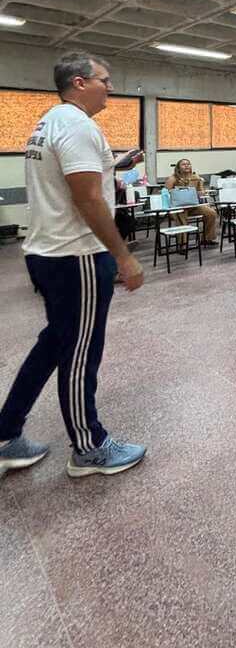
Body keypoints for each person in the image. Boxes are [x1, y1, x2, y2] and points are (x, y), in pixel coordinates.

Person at [0, 51, 145, 480]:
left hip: (47, 252)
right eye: (104, 80)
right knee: (81, 353)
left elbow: (74, 180)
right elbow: (87, 198)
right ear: (79, 82)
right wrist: (122, 255)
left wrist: (117, 163)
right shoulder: (79, 125)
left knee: (53, 344)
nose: (110, 87)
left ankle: (6, 433)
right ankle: (89, 447)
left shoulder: (50, 122)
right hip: (76, 255)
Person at [165, 159, 218, 245]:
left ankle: (207, 238)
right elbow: (166, 193)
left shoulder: (196, 177)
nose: (187, 165)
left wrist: (201, 191)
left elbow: (201, 191)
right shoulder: (173, 178)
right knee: (181, 216)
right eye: (183, 164)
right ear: (178, 168)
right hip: (178, 207)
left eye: (188, 164)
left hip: (193, 205)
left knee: (211, 213)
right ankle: (182, 243)